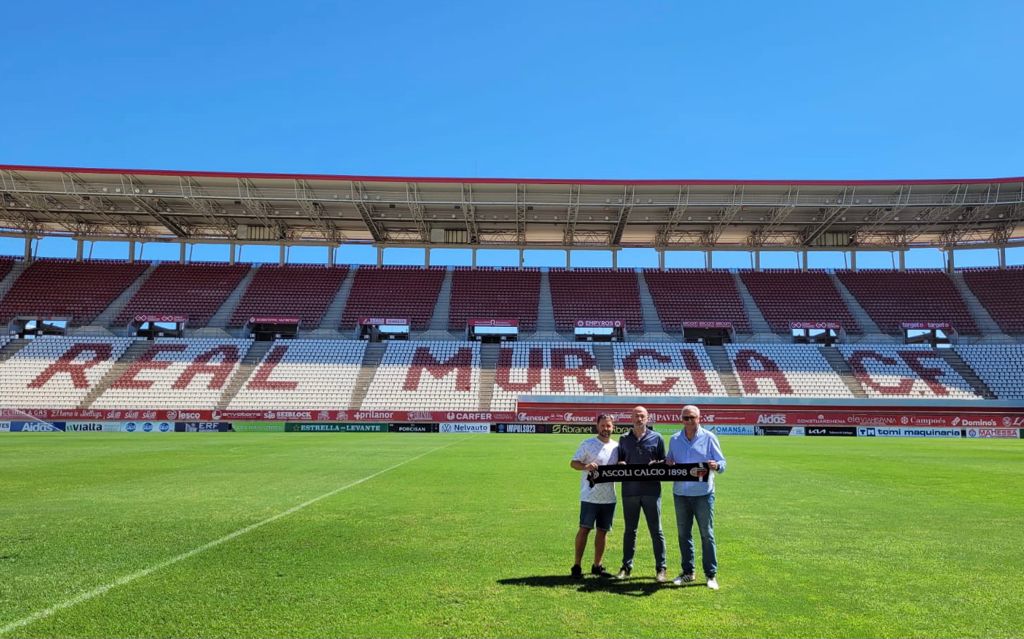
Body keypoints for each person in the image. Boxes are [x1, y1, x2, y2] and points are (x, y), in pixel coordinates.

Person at [665, 404, 726, 590]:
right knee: (684, 535)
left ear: (700, 418)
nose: (689, 421)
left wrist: (717, 465)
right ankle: (688, 573)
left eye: (692, 417)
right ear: (681, 419)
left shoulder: (709, 437)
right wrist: (669, 463)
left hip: (703, 495)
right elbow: (670, 461)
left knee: (707, 534)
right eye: (686, 418)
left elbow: (723, 462)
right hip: (681, 494)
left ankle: (711, 574)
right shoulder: (675, 439)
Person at [615, 405, 668, 582]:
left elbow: (664, 462)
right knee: (630, 530)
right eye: (636, 415)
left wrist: (659, 463)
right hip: (629, 491)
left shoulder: (657, 438)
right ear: (631, 418)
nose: (639, 418)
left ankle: (661, 567)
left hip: (652, 490)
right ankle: (626, 566)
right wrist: (620, 463)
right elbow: (620, 460)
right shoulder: (623, 439)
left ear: (647, 418)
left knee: (656, 530)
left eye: (642, 416)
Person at [569, 414, 619, 579]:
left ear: (613, 427)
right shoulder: (588, 444)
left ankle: (597, 565)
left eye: (609, 426)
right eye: (603, 425)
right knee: (584, 529)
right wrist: (586, 466)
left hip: (609, 497)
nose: (606, 429)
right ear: (597, 426)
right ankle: (576, 565)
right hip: (590, 496)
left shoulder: (617, 447)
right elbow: (573, 463)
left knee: (602, 532)